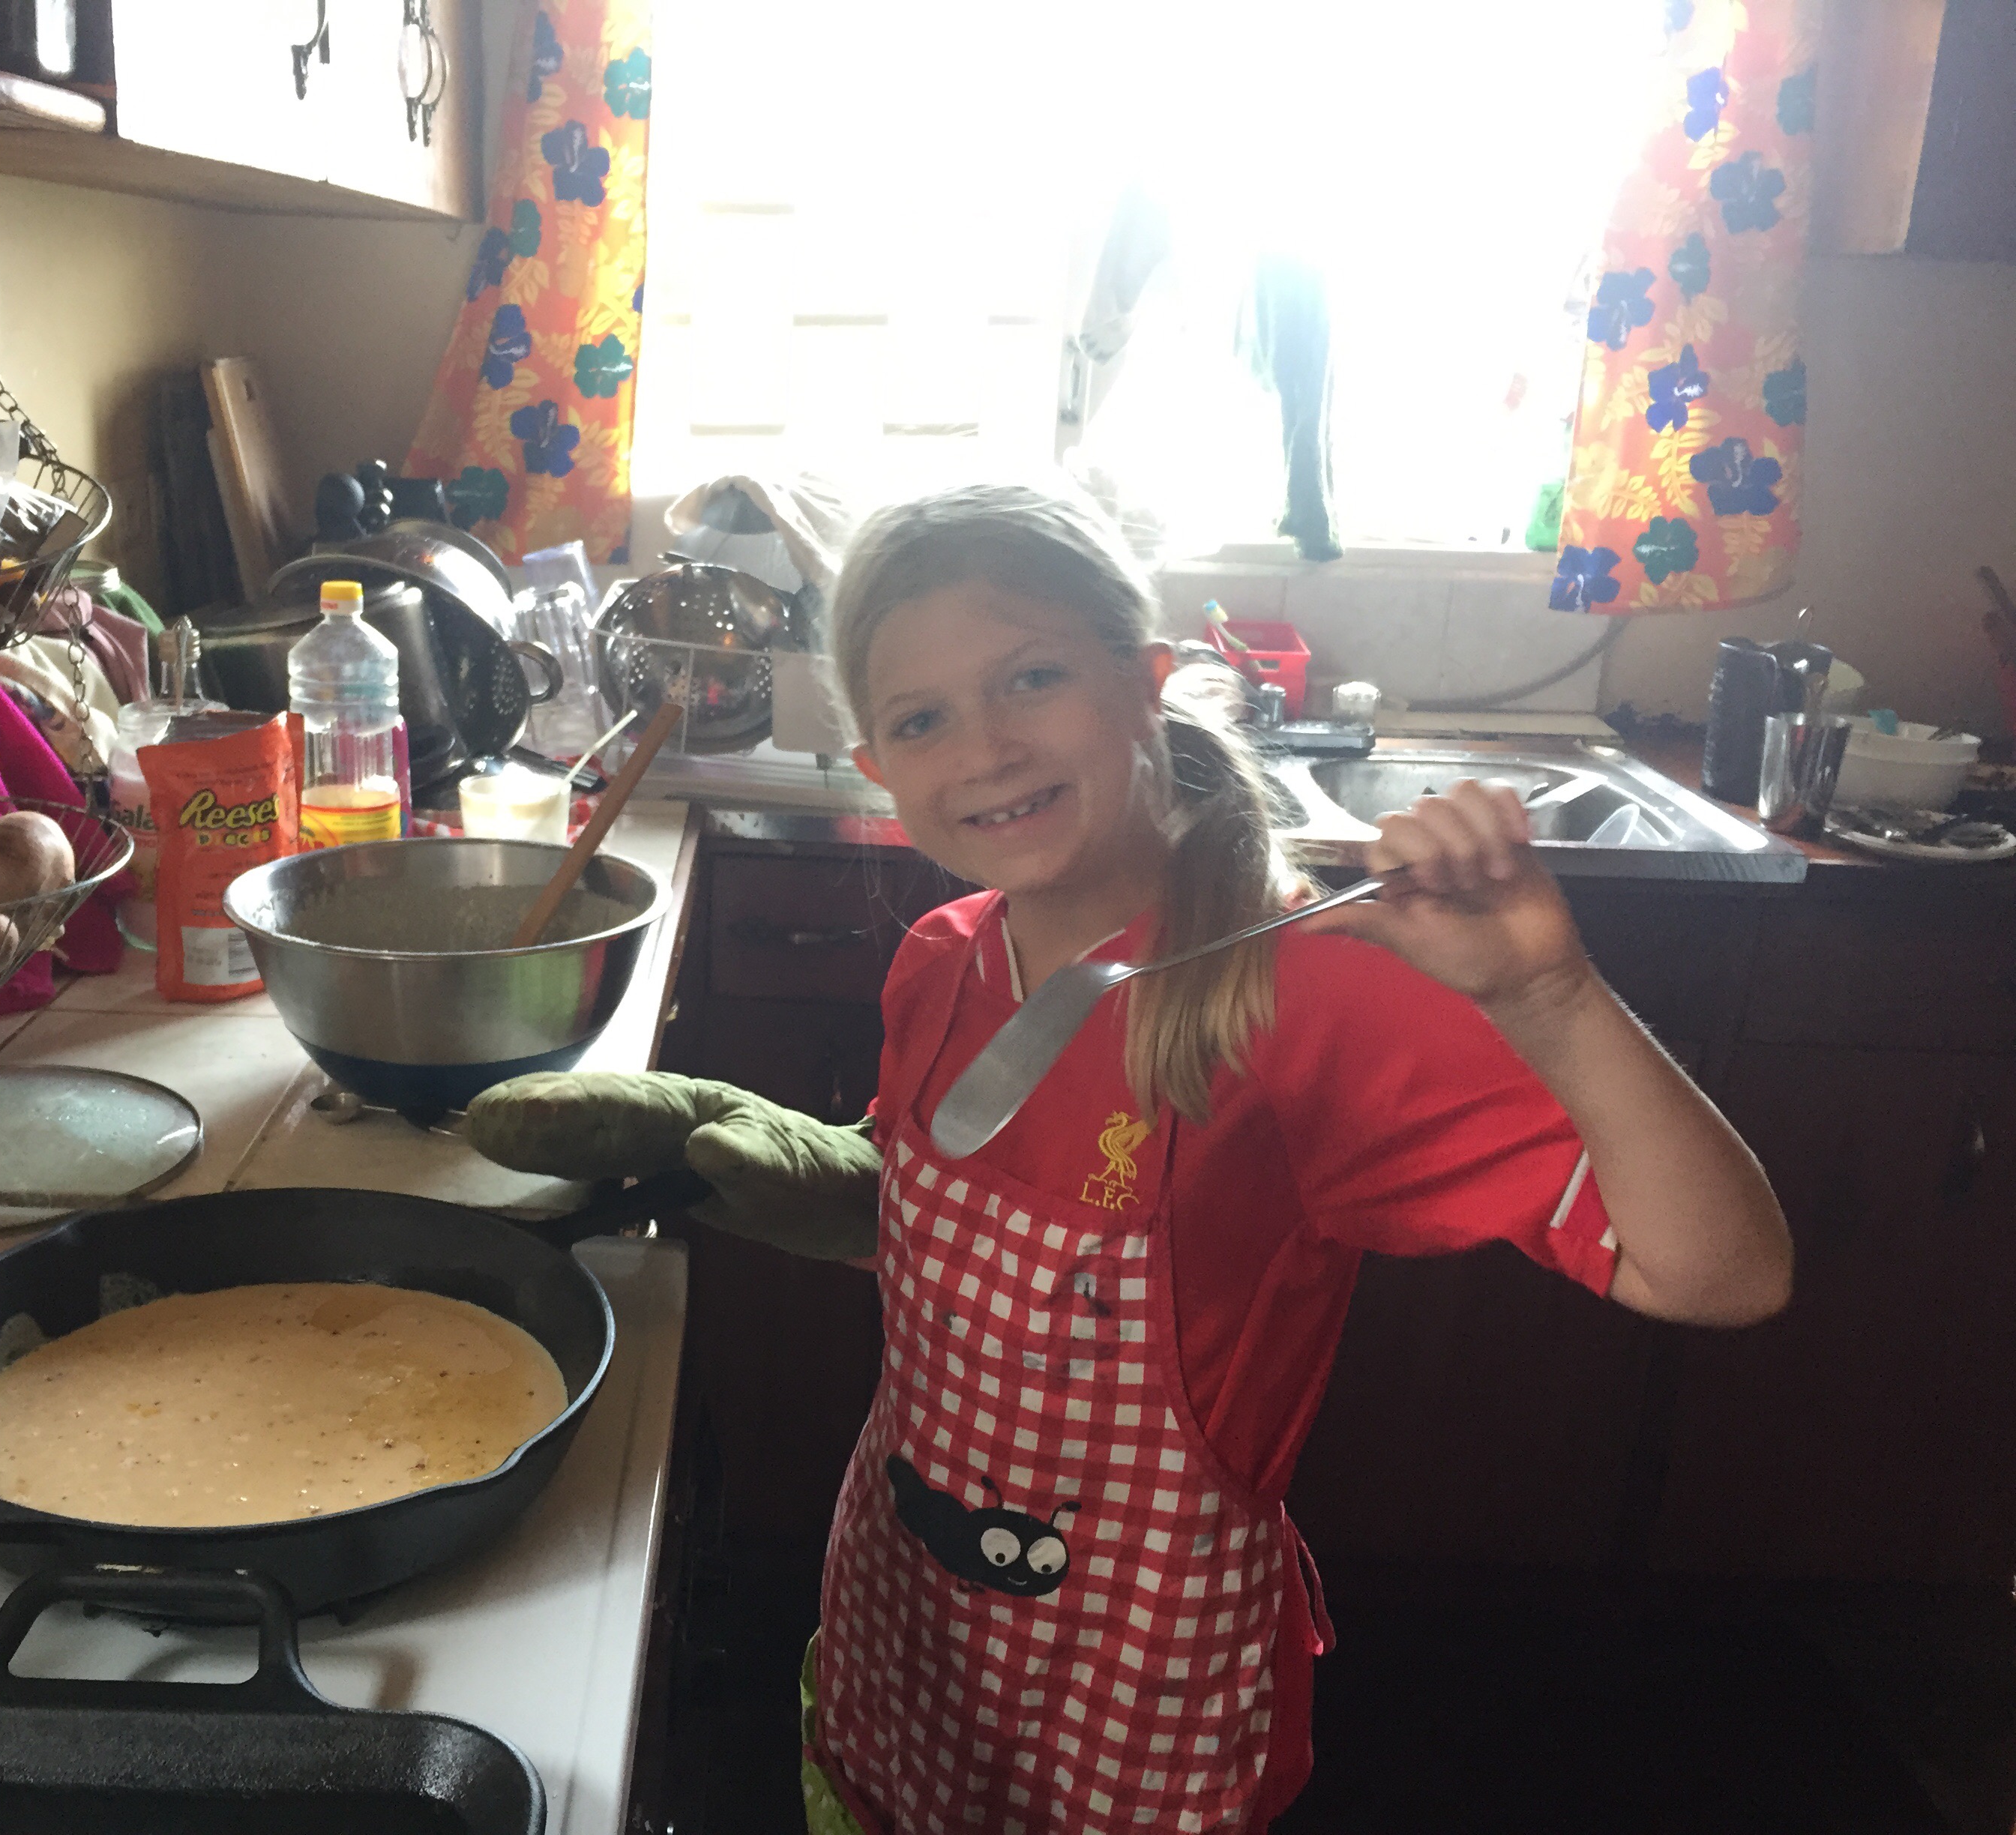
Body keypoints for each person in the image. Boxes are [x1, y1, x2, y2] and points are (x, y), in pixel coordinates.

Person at [466, 481, 1792, 1834]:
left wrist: (1548, 995)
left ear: (1147, 682)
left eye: (1031, 678)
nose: (985, 747)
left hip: (1139, 1693)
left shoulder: (1294, 994)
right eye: (922, 720)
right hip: (908, 1619)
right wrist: (781, 1167)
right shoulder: (944, 960)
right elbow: (925, 1217)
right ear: (876, 767)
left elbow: (1725, 1274)